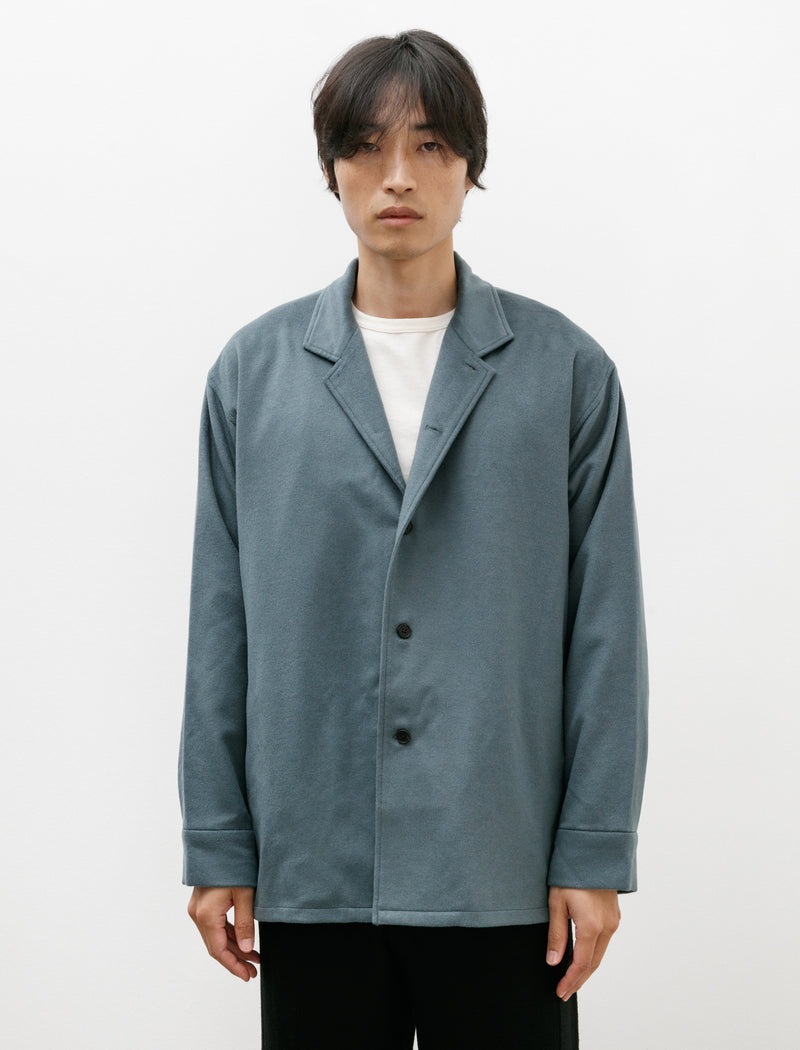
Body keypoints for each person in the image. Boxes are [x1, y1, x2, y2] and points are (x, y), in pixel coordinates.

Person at [179, 29, 648, 1050]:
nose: (398, 175)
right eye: (366, 145)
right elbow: (220, 624)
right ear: (331, 168)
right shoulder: (252, 376)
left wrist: (593, 848)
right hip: (312, 859)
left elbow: (605, 632)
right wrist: (217, 841)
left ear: (471, 166)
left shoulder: (566, 374)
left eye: (431, 145)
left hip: (502, 863)